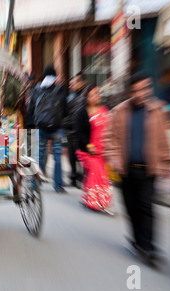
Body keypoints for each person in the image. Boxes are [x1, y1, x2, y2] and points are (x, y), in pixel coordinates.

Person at [106, 72, 170, 268]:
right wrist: (115, 157)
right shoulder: (119, 111)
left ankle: (149, 247)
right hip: (126, 170)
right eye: (135, 90)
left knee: (146, 207)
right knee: (131, 207)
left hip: (148, 169)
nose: (140, 94)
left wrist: (167, 163)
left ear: (149, 89)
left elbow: (163, 139)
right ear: (130, 91)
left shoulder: (158, 111)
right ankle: (136, 242)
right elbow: (111, 139)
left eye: (144, 89)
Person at [30, 65, 68, 193]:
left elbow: (31, 107)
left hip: (40, 126)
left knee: (39, 155)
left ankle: (35, 183)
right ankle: (58, 185)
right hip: (57, 128)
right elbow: (65, 109)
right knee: (57, 156)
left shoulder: (37, 89)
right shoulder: (60, 90)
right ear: (55, 76)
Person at [75, 84, 112, 213]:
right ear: (87, 97)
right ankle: (94, 202)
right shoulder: (81, 112)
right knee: (96, 173)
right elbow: (79, 133)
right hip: (88, 150)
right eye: (92, 94)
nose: (96, 96)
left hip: (103, 149)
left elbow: (110, 128)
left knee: (99, 175)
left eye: (97, 93)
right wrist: (88, 146)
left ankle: (94, 199)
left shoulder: (105, 109)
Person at [64, 72, 87, 188]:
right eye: (71, 83)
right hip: (71, 131)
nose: (72, 85)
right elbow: (66, 114)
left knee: (81, 156)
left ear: (82, 83)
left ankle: (82, 178)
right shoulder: (69, 97)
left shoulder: (85, 97)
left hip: (81, 131)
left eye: (74, 83)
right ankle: (73, 178)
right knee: (72, 156)